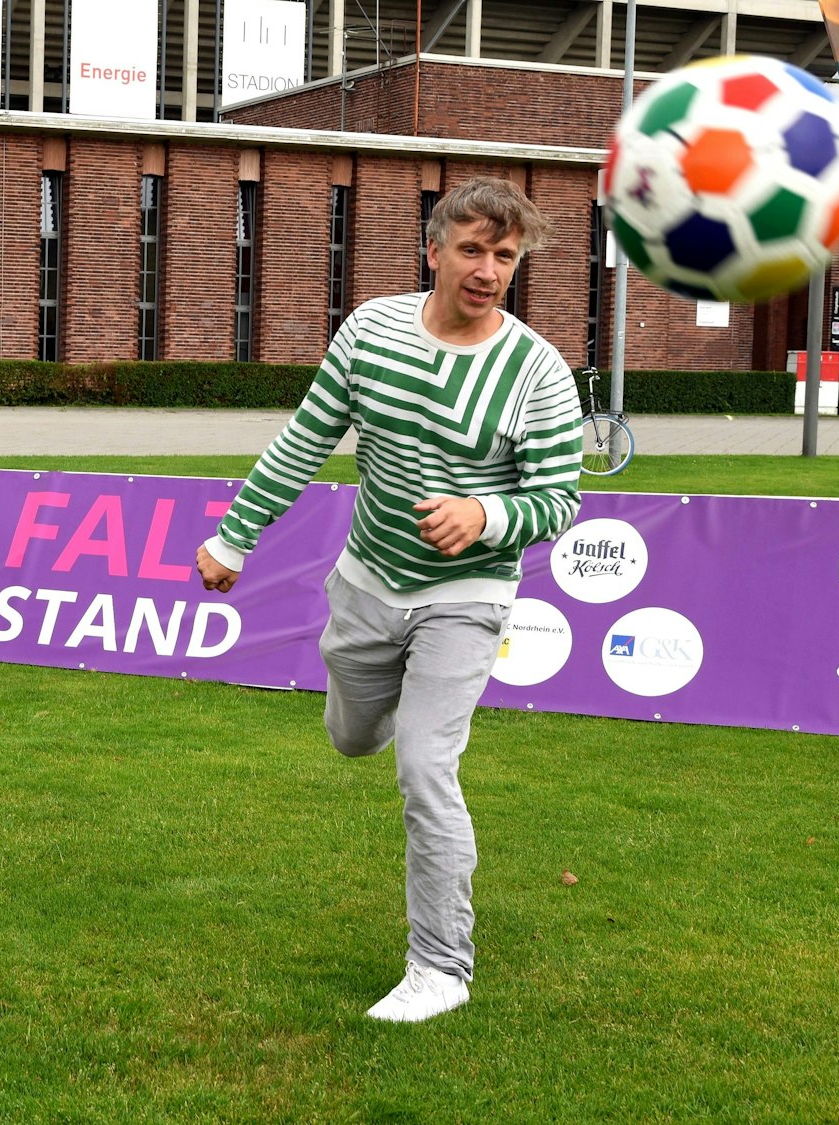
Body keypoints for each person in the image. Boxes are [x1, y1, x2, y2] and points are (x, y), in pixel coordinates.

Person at [194, 177, 583, 1023]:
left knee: (424, 766)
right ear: (434, 247)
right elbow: (307, 438)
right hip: (368, 583)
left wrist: (486, 514)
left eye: (505, 256)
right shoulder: (370, 329)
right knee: (352, 736)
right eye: (473, 249)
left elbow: (558, 501)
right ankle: (368, 708)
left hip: (467, 597)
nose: (487, 270)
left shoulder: (539, 373)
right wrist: (234, 537)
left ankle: (440, 968)